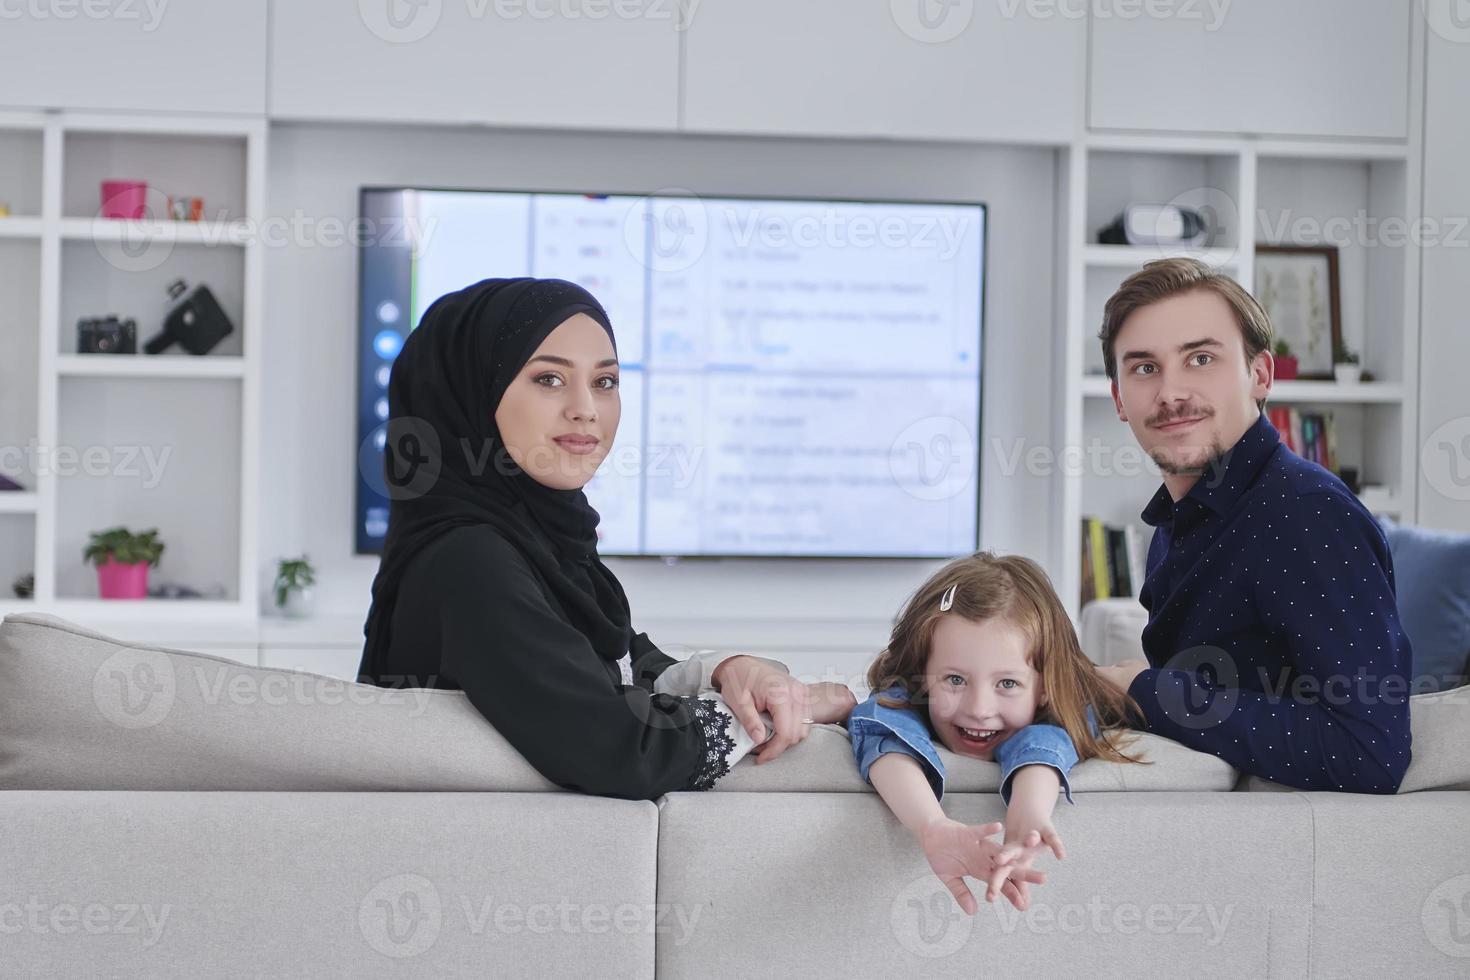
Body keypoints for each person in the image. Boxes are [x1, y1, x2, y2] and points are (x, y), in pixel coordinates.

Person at [357, 277, 855, 800]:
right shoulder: (468, 563)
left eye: (605, 382)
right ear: (468, 392)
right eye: (549, 379)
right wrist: (780, 712)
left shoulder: (542, 542)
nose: (585, 409)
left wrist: (730, 671)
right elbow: (621, 749)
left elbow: (617, 670)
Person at [1091, 258, 1412, 793]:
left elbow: (1371, 752)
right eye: (1145, 368)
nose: (1171, 393)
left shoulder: (1306, 512)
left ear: (1260, 375)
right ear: (1120, 398)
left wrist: (1145, 692)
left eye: (1200, 358)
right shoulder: (1179, 521)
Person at [846, 552, 1147, 914]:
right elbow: (884, 731)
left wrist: (1029, 810)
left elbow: (1050, 737)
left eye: (1007, 683)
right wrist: (932, 826)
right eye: (955, 679)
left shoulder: (1064, 706)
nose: (979, 709)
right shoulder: (902, 699)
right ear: (922, 675)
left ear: (1045, 686)